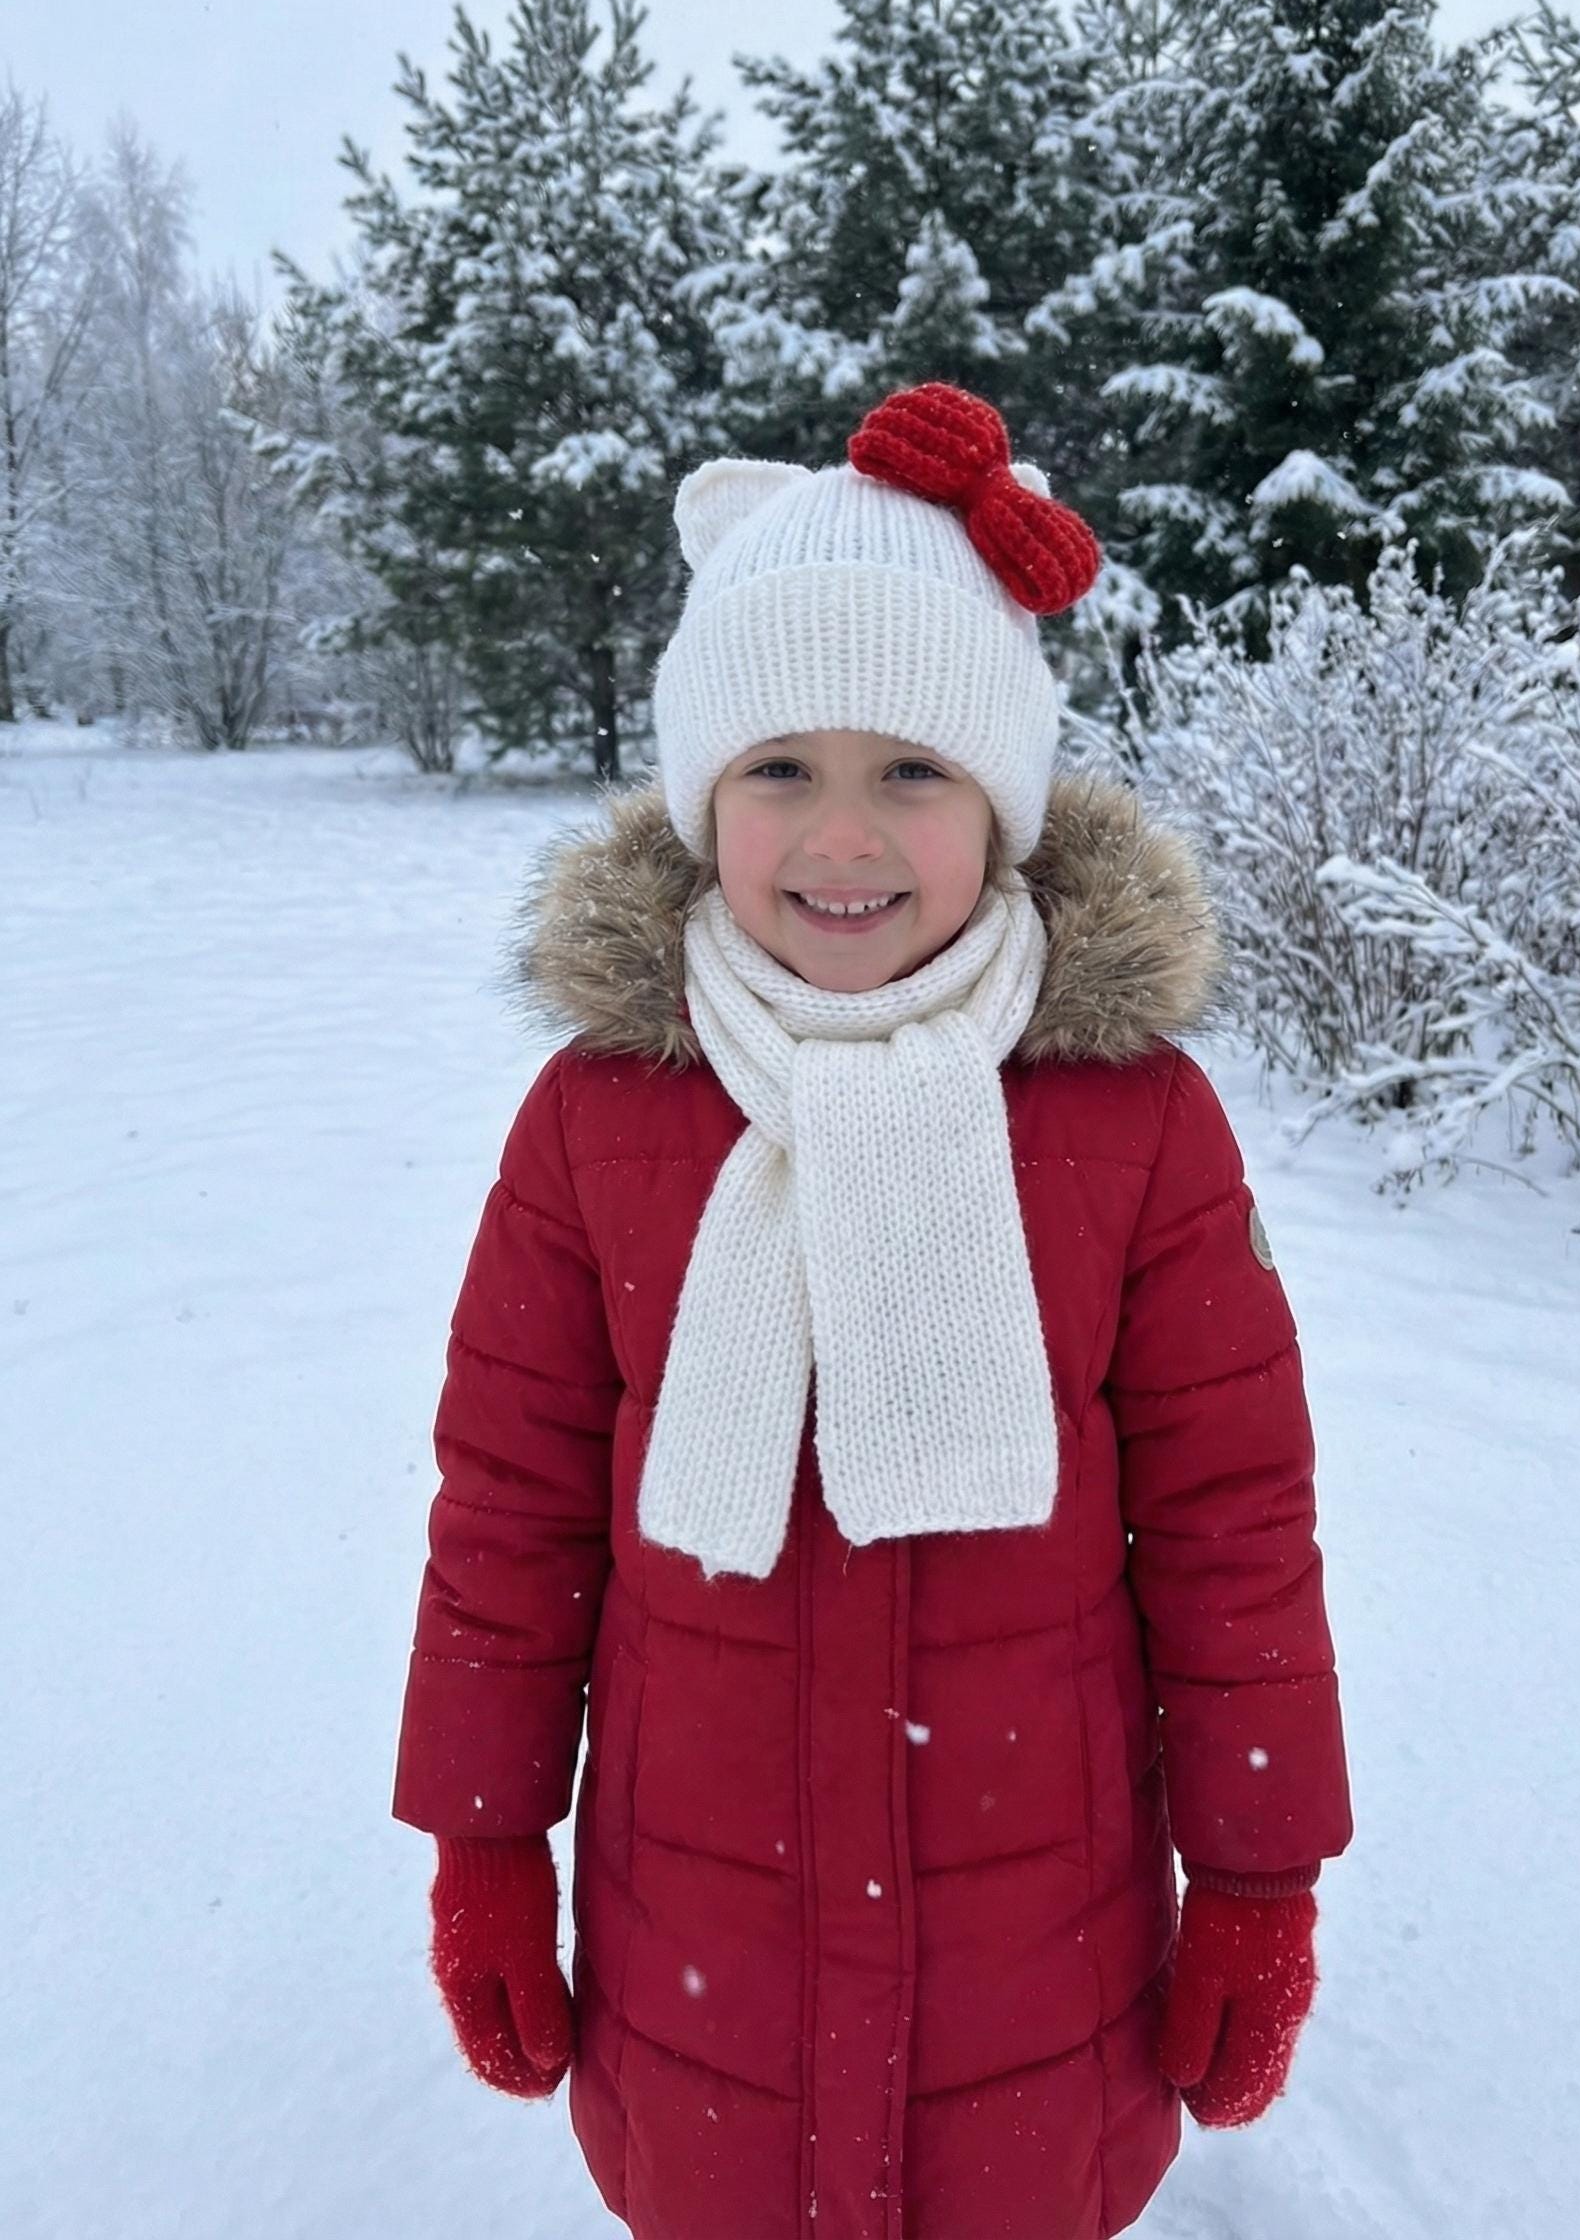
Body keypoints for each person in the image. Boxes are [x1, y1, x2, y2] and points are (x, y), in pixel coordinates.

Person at [391, 380, 1353, 2239]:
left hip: (1037, 1932)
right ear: (699, 797)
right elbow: (508, 1511)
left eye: (911, 768)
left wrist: (1258, 1869)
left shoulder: (1129, 1117)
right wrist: (486, 1834)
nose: (844, 838)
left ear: (999, 797)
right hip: (703, 1931)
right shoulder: (605, 1113)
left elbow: (1236, 1521)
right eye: (780, 769)